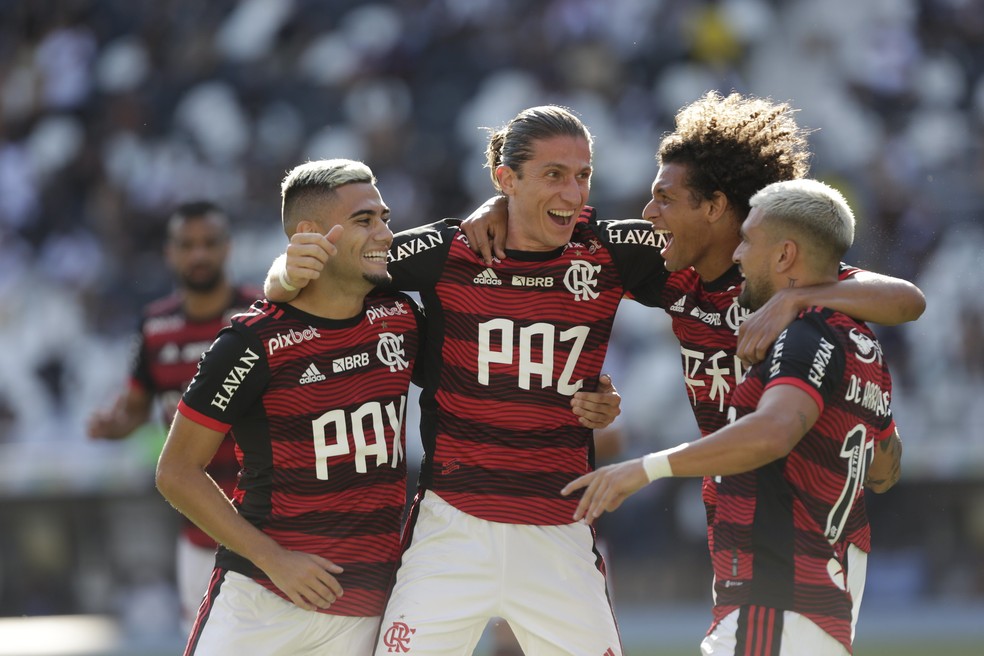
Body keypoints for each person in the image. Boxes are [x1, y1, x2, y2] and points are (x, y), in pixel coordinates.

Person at [461, 89, 923, 580]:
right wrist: (501, 204)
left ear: (715, 206)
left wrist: (794, 301)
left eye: (665, 199)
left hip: (798, 528)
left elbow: (907, 300)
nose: (648, 212)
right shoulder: (670, 266)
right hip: (734, 514)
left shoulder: (781, 277)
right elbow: (553, 222)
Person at [264, 106, 671, 655]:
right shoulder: (447, 249)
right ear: (507, 179)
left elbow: (715, 258)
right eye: (553, 174)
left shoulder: (610, 251)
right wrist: (281, 278)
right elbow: (328, 269)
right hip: (451, 527)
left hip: (558, 529)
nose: (573, 193)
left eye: (583, 175)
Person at [563, 178, 904, 656]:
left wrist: (646, 468)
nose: (738, 255)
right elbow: (885, 468)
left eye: (748, 241)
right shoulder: (861, 342)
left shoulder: (802, 337)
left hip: (775, 595)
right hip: (822, 598)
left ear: (785, 255)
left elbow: (773, 432)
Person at [155, 159, 424, 655]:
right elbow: (176, 471)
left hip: (366, 611)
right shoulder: (252, 342)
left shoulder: (402, 317)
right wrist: (274, 559)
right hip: (262, 598)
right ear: (310, 236)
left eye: (385, 218)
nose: (386, 233)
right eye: (365, 220)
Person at [87, 200, 258, 631]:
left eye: (209, 243)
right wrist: (111, 427)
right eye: (187, 244)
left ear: (227, 248)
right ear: (170, 252)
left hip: (268, 526)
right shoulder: (154, 328)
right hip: (199, 534)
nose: (198, 254)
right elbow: (135, 410)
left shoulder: (261, 315)